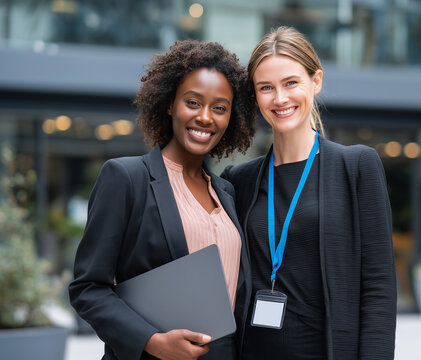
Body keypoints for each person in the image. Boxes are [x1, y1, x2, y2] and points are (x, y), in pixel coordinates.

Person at [69, 40, 256, 360]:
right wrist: (151, 340)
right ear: (170, 104)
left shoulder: (226, 192)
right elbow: (88, 288)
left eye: (220, 107)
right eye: (193, 102)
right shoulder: (127, 178)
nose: (206, 117)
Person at [221, 26, 396, 360]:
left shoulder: (357, 167)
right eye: (266, 88)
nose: (280, 98)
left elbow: (378, 289)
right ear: (256, 97)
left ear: (315, 81)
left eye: (291, 83)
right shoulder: (239, 180)